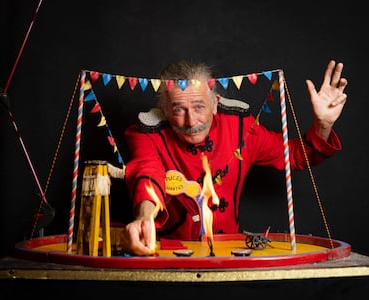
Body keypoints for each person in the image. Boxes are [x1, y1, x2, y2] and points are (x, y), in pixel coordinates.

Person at [120, 59, 348, 256]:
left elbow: (298, 157)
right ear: (165, 110)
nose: (191, 122)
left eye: (199, 107)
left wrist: (323, 125)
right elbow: (146, 173)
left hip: (228, 253)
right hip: (163, 251)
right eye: (179, 110)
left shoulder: (241, 127)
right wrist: (144, 218)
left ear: (215, 103)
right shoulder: (146, 131)